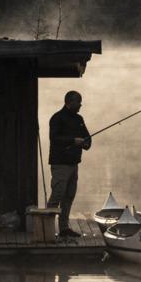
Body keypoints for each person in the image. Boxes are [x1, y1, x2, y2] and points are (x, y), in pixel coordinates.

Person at [47, 90, 91, 232]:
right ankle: (47, 229)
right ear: (69, 102)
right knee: (57, 196)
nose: (80, 105)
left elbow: (87, 137)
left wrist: (85, 143)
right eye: (78, 102)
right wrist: (73, 140)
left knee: (69, 196)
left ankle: (64, 228)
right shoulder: (57, 118)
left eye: (80, 102)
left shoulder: (79, 119)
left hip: (74, 164)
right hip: (60, 165)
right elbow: (54, 138)